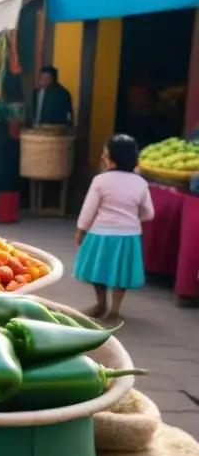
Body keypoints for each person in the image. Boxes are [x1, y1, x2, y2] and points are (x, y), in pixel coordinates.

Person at [73, 134, 155, 321]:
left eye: (105, 154)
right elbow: (148, 213)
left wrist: (81, 230)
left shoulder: (101, 181)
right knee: (121, 274)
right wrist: (132, 221)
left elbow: (89, 210)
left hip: (100, 233)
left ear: (110, 160)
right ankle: (115, 309)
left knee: (97, 271)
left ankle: (100, 304)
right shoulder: (140, 183)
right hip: (129, 236)